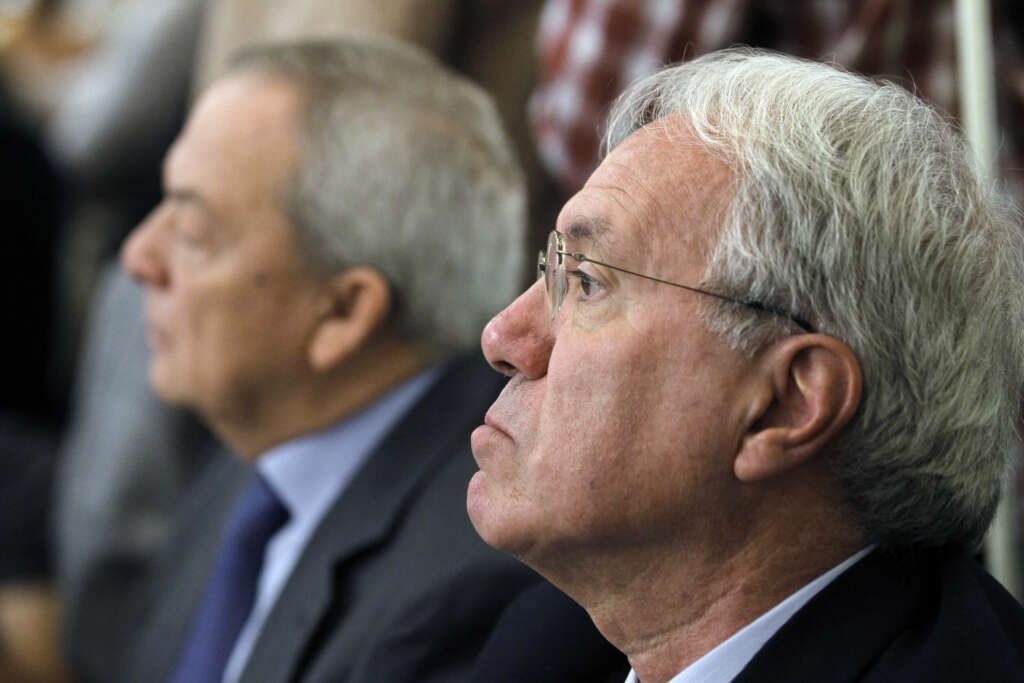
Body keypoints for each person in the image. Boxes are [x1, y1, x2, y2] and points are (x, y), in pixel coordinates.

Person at [467, 48, 1024, 683]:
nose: (504, 337)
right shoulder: (548, 644)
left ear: (784, 404)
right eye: (552, 269)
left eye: (588, 282)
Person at [112, 36, 537, 683]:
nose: (140, 255)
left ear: (342, 312)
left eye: (194, 231)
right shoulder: (259, 445)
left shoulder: (466, 592)